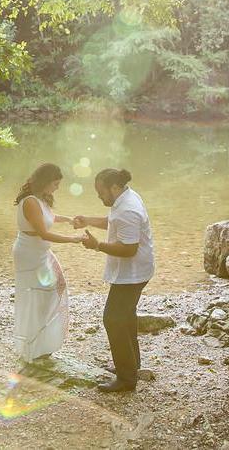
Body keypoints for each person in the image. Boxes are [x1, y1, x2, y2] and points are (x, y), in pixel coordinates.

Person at [74, 168, 155, 392]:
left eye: (101, 192)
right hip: (135, 271)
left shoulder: (128, 209)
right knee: (125, 316)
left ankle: (127, 379)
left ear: (114, 187)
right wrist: (88, 221)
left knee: (113, 319)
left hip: (132, 274)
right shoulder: (125, 197)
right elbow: (113, 221)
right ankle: (131, 365)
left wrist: (97, 245)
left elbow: (129, 249)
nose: (99, 196)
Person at [12, 163, 83, 362]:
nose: (57, 188)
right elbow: (43, 233)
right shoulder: (30, 202)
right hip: (30, 253)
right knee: (38, 297)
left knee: (54, 289)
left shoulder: (40, 199)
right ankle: (33, 347)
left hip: (40, 252)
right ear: (45, 181)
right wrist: (73, 239)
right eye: (55, 184)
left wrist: (68, 220)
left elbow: (49, 216)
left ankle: (43, 343)